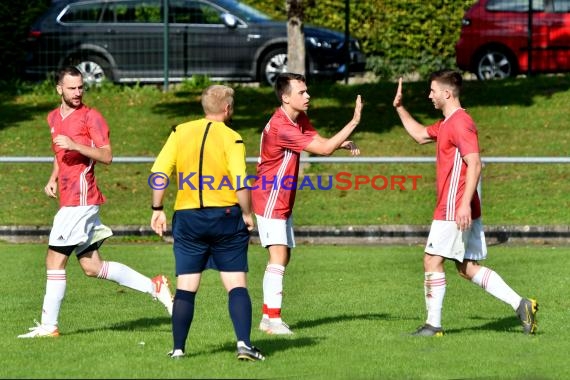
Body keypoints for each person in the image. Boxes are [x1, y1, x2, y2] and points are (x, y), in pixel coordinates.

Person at [18, 66, 173, 339]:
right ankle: (155, 286)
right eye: (72, 88)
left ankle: (49, 326)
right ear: (59, 89)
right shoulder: (53, 117)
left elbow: (107, 155)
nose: (77, 92)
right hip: (68, 196)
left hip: (81, 199)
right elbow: (59, 152)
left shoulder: (91, 117)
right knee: (92, 267)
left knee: (54, 261)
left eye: (80, 87)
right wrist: (53, 178)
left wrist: (76, 145)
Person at [392, 69, 538, 336]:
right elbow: (420, 135)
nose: (430, 95)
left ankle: (433, 325)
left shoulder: (461, 122)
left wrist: (463, 205)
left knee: (431, 260)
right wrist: (400, 108)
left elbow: (475, 163)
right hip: (456, 206)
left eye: (433, 91)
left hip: (453, 207)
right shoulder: (447, 122)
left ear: (447, 93)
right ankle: (522, 304)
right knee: (466, 268)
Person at [149, 84, 265, 361]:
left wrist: (157, 208)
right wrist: (247, 214)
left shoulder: (180, 132)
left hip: (188, 218)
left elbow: (159, 172)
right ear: (227, 109)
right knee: (236, 283)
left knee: (186, 286)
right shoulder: (232, 138)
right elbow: (240, 181)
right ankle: (244, 345)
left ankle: (178, 349)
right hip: (225, 217)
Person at [253, 72, 363, 335]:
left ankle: (268, 317)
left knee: (283, 256)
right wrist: (354, 121)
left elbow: (322, 143)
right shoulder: (282, 126)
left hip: (281, 197)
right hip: (269, 197)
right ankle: (273, 322)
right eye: (301, 92)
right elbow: (324, 150)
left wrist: (340, 143)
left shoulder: (298, 118)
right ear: (285, 97)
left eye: (306, 91)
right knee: (278, 255)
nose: (307, 96)